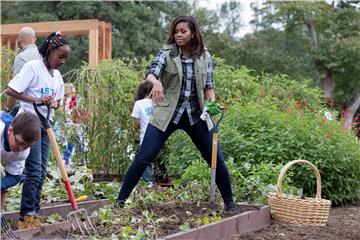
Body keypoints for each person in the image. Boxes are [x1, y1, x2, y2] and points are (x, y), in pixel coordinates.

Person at [116, 15, 235, 211]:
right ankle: (119, 203)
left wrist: (211, 104)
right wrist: (156, 83)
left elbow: (209, 88)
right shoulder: (167, 53)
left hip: (196, 115)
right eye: (176, 31)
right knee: (144, 157)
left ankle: (230, 204)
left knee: (216, 158)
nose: (178, 35)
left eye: (183, 31)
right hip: (167, 114)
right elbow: (152, 72)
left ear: (193, 33)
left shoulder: (205, 56)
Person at [6, 31, 70, 229]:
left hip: (45, 126)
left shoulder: (57, 76)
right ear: (50, 51)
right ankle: (27, 216)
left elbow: (58, 101)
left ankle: (33, 211)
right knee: (34, 170)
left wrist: (54, 103)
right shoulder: (33, 67)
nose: (62, 61)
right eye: (60, 56)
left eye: (65, 58)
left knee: (41, 171)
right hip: (27, 124)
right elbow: (12, 90)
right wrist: (36, 99)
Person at [1, 112, 41, 211]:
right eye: (20, 143)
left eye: (27, 146)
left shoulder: (23, 151)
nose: (21, 149)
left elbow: (14, 176)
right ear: (10, 131)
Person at [4, 26, 41, 117]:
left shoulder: (21, 58)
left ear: (19, 39)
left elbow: (16, 88)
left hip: (25, 109)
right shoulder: (43, 56)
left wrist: (7, 110)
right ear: (35, 39)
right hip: (43, 109)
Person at [131, 81, 155, 183]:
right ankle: (146, 180)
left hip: (145, 136)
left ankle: (149, 182)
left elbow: (135, 123)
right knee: (148, 160)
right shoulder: (157, 103)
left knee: (142, 160)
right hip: (159, 136)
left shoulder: (138, 103)